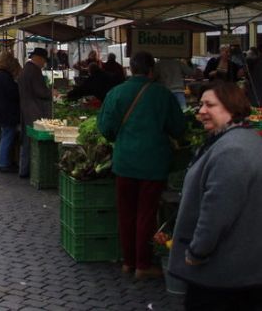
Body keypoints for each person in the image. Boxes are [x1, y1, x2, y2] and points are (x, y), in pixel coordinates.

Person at [168, 81, 262, 310]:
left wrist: (197, 252)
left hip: (223, 274)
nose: (201, 111)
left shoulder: (233, 150)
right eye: (201, 104)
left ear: (231, 106)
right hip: (238, 270)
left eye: (209, 105)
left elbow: (217, 211)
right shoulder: (241, 140)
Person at [97, 51, 184, 280]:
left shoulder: (116, 93)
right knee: (146, 213)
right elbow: (178, 128)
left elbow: (105, 128)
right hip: (153, 163)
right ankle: (143, 265)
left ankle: (128, 262)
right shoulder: (162, 95)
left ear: (130, 69)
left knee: (126, 213)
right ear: (151, 71)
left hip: (124, 162)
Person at [17, 47, 53, 178]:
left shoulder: (26, 69)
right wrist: (51, 93)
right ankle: (27, 170)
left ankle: (24, 169)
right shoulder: (34, 70)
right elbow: (40, 91)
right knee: (30, 142)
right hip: (34, 110)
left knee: (26, 141)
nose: (44, 64)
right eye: (44, 61)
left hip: (26, 109)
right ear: (38, 58)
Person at [0, 51, 22, 173]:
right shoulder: (4, 76)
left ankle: (2, 161)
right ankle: (3, 163)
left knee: (5, 136)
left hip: (0, 111)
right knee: (7, 136)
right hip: (7, 112)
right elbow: (13, 93)